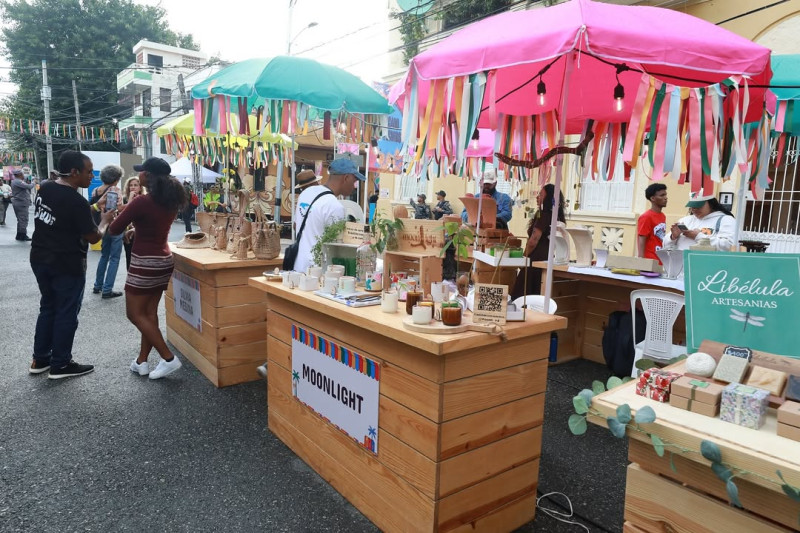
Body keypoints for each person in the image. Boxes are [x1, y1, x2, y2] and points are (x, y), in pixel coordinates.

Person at [29, 150, 115, 379]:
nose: (91, 175)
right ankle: (61, 363)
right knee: (67, 311)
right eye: (88, 172)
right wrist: (105, 221)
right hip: (66, 262)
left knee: (48, 307)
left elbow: (63, 214)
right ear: (74, 172)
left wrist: (96, 208)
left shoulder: (45, 187)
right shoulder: (75, 200)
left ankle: (40, 359)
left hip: (40, 258)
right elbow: (93, 236)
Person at [109, 157, 187, 379]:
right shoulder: (170, 201)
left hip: (144, 262)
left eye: (142, 171)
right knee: (149, 314)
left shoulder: (141, 202)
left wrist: (109, 218)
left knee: (134, 314)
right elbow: (153, 226)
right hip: (163, 260)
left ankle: (168, 358)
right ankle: (141, 362)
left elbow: (114, 229)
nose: (139, 174)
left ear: (148, 176)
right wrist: (137, 229)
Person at [292, 156, 361, 274]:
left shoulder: (306, 193)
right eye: (354, 181)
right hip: (318, 272)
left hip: (297, 266)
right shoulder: (334, 206)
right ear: (346, 178)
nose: (354, 187)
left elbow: (295, 225)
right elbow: (337, 248)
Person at [511, 184, 566, 299]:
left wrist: (524, 256)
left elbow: (533, 241)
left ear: (548, 198)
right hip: (547, 257)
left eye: (541, 194)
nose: (537, 197)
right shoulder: (556, 215)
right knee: (537, 291)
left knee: (523, 294)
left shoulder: (544, 216)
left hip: (534, 258)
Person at [91, 165, 125, 298]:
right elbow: (119, 208)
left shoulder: (96, 190)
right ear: (116, 178)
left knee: (104, 256)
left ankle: (97, 285)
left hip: (102, 226)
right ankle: (107, 289)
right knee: (115, 258)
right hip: (114, 225)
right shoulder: (115, 190)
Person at [663, 192, 736, 251]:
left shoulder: (726, 220)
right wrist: (673, 237)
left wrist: (698, 236)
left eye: (699, 206)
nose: (694, 209)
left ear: (710, 203)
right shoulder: (686, 220)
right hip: (680, 265)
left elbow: (729, 246)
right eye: (692, 207)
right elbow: (665, 245)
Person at [637, 183, 668, 262]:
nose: (665, 198)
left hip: (660, 259)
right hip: (649, 261)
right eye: (662, 195)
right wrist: (641, 261)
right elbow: (641, 239)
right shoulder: (646, 217)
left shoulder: (663, 216)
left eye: (665, 195)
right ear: (653, 198)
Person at [121, 175, 143, 270]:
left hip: (140, 232)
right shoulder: (125, 199)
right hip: (128, 232)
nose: (133, 187)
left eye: (135, 185)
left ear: (140, 187)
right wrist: (130, 198)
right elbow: (125, 214)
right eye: (131, 185)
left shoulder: (143, 199)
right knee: (129, 257)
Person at [11, 169, 34, 240]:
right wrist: (34, 182)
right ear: (19, 175)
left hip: (19, 202)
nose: (23, 175)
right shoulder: (18, 181)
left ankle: (19, 234)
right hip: (21, 203)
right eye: (22, 174)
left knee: (20, 219)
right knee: (23, 219)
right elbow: (29, 186)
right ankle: (23, 235)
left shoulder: (16, 181)